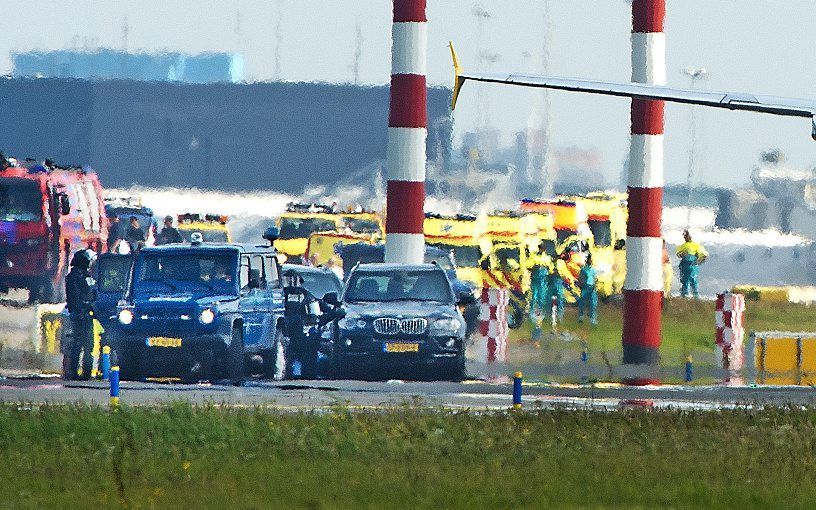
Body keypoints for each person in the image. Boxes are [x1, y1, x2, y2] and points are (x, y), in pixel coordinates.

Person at [64, 249, 97, 380]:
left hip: (86, 314)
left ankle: (86, 373)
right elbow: (75, 297)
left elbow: (92, 293)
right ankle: (74, 372)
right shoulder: (74, 276)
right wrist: (81, 309)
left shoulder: (86, 275)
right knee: (77, 344)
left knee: (89, 345)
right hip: (79, 314)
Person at [676, 230, 707, 298]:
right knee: (685, 279)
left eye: (687, 236)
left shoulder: (696, 245)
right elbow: (678, 254)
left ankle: (695, 295)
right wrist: (681, 254)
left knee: (692, 279)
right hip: (685, 264)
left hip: (692, 263)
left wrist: (699, 261)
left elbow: (704, 255)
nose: (686, 237)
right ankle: (684, 294)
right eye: (685, 236)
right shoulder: (683, 246)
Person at [525, 242, 551, 326]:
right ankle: (531, 314)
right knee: (534, 297)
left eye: (542, 248)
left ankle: (541, 315)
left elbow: (550, 268)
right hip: (535, 279)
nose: (541, 249)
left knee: (541, 297)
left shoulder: (547, 258)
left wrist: (545, 268)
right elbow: (528, 266)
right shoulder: (533, 256)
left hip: (543, 280)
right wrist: (534, 267)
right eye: (540, 248)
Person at [548, 251, 573, 322]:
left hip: (557, 282)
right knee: (555, 300)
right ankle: (555, 317)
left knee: (559, 299)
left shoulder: (560, 263)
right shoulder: (555, 262)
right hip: (554, 282)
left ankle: (558, 317)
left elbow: (565, 273)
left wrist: (571, 279)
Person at [577, 253, 599, 325]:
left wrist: (595, 285)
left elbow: (595, 278)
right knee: (582, 301)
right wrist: (581, 285)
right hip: (585, 286)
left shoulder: (593, 270)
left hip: (592, 287)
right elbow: (580, 278)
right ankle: (581, 316)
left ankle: (592, 318)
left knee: (593, 303)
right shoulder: (583, 269)